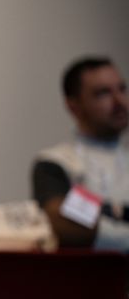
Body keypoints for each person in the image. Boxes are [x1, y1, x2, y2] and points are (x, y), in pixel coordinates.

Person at [32, 57, 129, 251]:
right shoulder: (56, 163)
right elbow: (65, 226)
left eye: (122, 89)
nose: (119, 101)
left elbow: (83, 225)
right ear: (73, 105)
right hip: (87, 276)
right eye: (103, 93)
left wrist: (101, 217)